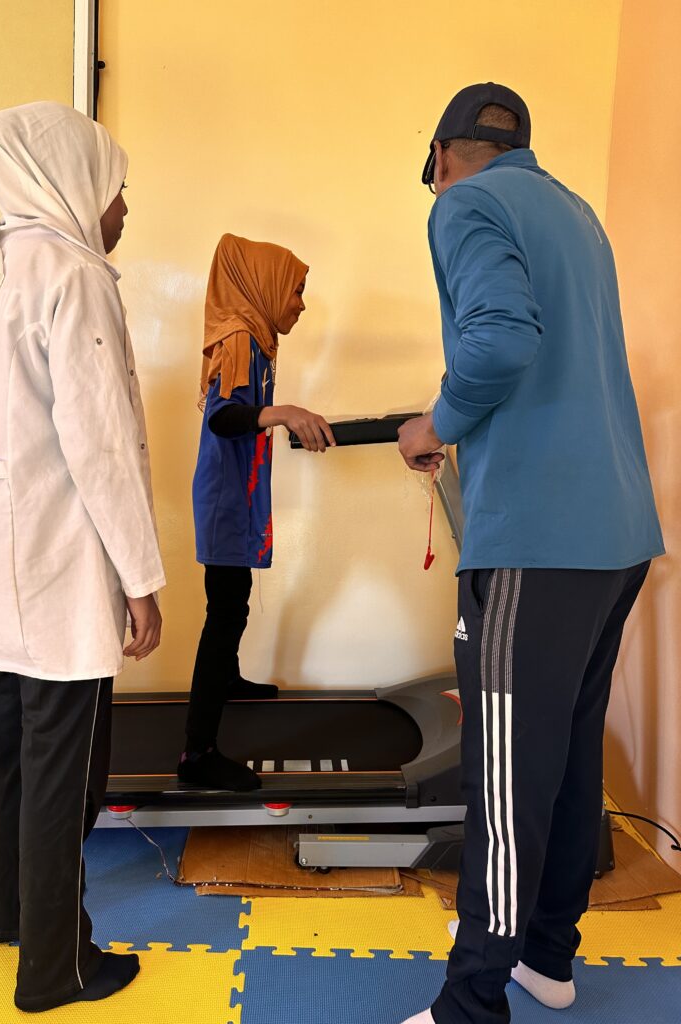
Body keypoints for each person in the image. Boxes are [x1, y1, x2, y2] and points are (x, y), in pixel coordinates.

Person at [396, 83, 664, 1024]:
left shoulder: (466, 203)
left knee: (506, 777)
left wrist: (439, 418)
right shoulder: (577, 214)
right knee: (564, 757)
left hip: (536, 544)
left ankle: (472, 1006)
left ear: (440, 156)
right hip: (618, 537)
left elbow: (502, 341)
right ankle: (549, 959)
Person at [0, 102, 165, 1013]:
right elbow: (100, 444)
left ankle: (9, 918)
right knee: (62, 767)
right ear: (69, 182)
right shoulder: (74, 273)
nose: (122, 208)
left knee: (11, 755)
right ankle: (57, 970)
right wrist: (140, 580)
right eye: (116, 188)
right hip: (57, 554)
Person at [179, 233, 335, 792]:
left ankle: (229, 680)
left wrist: (283, 418)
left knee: (233, 602)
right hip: (224, 498)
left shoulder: (257, 340)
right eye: (295, 291)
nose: (299, 303)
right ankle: (197, 754)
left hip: (232, 492)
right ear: (263, 286)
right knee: (222, 614)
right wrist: (285, 412)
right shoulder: (241, 338)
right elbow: (224, 419)